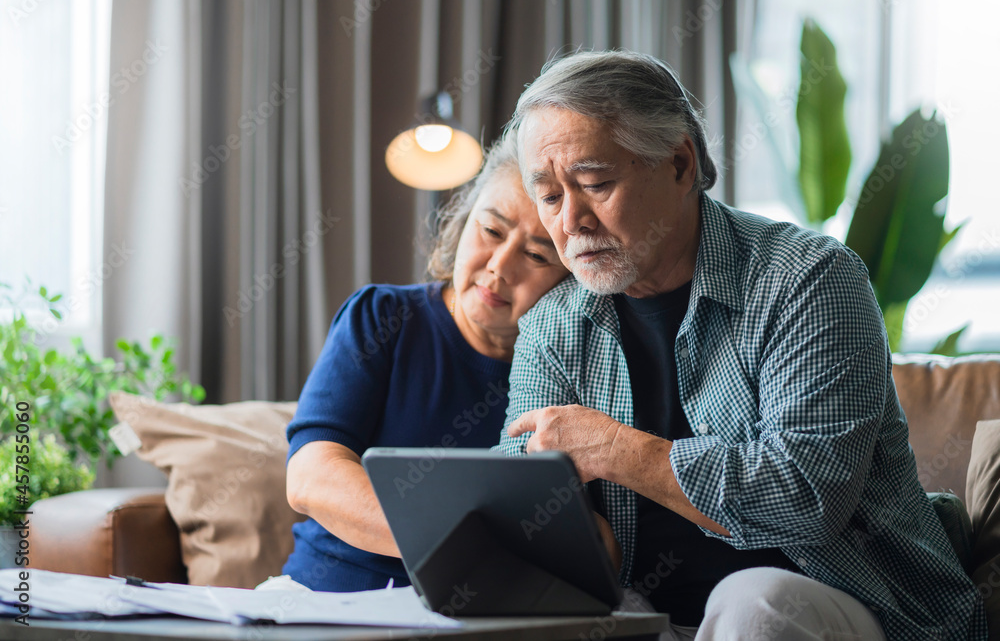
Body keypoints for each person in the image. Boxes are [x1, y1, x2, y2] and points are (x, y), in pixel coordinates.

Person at [495, 50, 986, 640]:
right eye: (549, 196)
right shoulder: (552, 326)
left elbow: (808, 497)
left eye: (595, 183)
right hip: (646, 620)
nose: (571, 220)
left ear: (680, 163)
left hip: (854, 608)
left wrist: (616, 451)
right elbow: (524, 498)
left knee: (755, 601)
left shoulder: (809, 279)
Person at [281, 136, 570, 592]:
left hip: (481, 614)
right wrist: (469, 544)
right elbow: (310, 477)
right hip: (325, 596)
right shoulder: (382, 317)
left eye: (536, 255)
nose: (499, 267)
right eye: (491, 231)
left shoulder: (568, 371)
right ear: (463, 222)